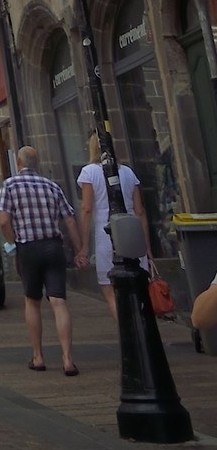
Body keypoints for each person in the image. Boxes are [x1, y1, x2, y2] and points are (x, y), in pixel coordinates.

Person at [0, 145, 82, 377]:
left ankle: (38, 356)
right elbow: (70, 220)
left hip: (28, 248)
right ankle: (67, 359)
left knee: (32, 301)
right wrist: (79, 249)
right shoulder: (52, 186)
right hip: (53, 246)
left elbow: (3, 220)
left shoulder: (10, 185)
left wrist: (13, 243)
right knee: (59, 301)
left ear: (19, 163)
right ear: (38, 164)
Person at [77, 135, 148, 319]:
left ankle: (126, 328)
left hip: (106, 233)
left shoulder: (89, 173)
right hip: (133, 232)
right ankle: (140, 324)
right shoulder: (128, 172)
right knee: (138, 285)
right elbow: (140, 211)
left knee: (110, 288)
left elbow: (86, 208)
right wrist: (147, 247)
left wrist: (84, 247)